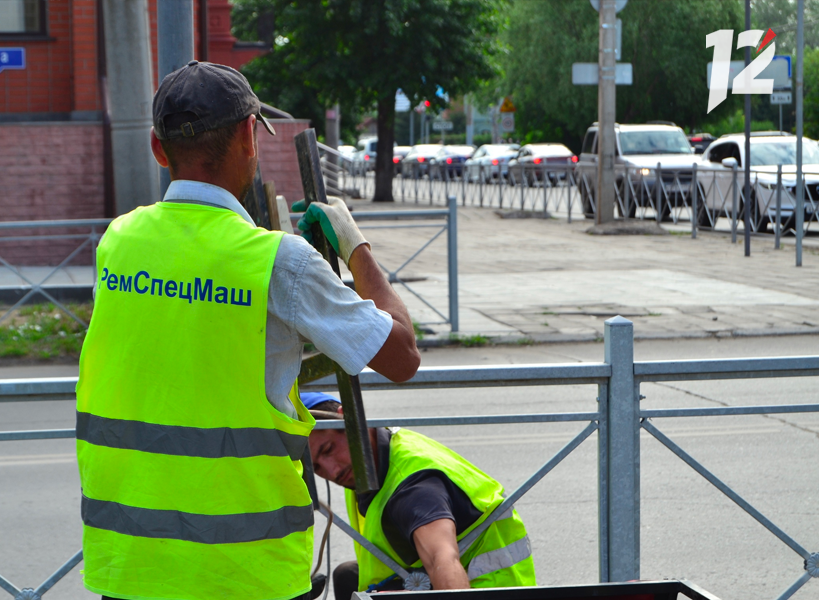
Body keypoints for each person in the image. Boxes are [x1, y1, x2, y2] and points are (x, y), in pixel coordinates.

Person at [75, 61, 421, 600]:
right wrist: (356, 249)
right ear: (247, 136)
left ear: (157, 149)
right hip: (246, 570)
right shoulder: (278, 262)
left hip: (131, 563)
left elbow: (186, 348)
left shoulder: (118, 243)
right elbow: (401, 357)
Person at [301, 393, 535, 600]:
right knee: (347, 576)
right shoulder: (384, 447)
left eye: (329, 449)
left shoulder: (412, 490)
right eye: (318, 468)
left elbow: (441, 560)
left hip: (484, 589)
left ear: (349, 420)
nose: (332, 471)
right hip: (428, 575)